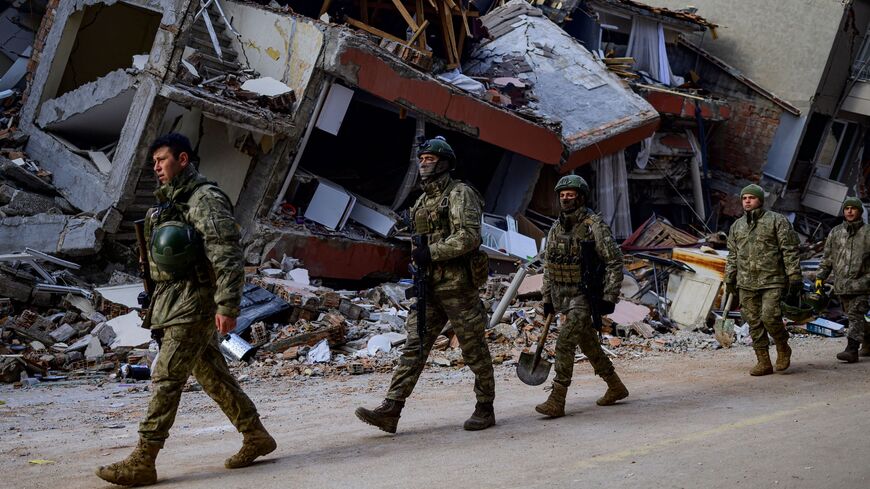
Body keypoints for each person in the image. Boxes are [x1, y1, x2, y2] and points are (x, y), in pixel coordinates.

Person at [96, 133, 275, 486]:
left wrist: (227, 305)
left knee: (165, 378)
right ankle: (255, 434)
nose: (157, 168)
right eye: (154, 163)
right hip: (173, 300)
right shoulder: (169, 203)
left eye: (162, 160)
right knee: (212, 374)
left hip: (194, 303)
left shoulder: (203, 199)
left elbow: (226, 253)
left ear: (182, 159)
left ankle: (143, 460)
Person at [355, 136, 496, 433]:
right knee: (414, 348)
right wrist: (417, 260)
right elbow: (419, 241)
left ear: (444, 163)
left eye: (429, 159)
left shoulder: (460, 194)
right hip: (429, 287)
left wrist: (431, 253)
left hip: (457, 286)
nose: (423, 164)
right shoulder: (422, 200)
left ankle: (485, 407)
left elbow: (469, 237)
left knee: (473, 349)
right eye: (421, 159)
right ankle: (391, 409)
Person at [535, 175, 628, 418]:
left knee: (565, 342)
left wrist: (609, 296)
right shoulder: (556, 227)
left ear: (581, 197)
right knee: (587, 342)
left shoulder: (593, 225)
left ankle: (557, 398)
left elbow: (614, 261)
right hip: (561, 296)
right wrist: (547, 299)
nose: (566, 199)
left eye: (571, 194)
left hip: (583, 296)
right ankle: (615, 386)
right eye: (562, 195)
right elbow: (549, 265)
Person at [724, 184, 801, 376]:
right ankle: (763, 361)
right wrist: (729, 279)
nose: (747, 201)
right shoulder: (737, 226)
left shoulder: (776, 221)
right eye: (744, 198)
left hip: (772, 280)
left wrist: (794, 276)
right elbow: (732, 255)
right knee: (754, 322)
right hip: (746, 282)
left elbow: (789, 250)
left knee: (770, 317)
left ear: (760, 199)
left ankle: (783, 346)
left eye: (751, 197)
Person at [815, 196, 870, 362]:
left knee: (855, 314)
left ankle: (851, 350)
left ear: (859, 211)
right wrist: (820, 279)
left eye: (853, 208)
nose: (850, 211)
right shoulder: (836, 232)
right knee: (854, 317)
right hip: (842, 285)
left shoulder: (868, 233)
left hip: (862, 284)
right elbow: (827, 258)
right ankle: (868, 341)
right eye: (847, 208)